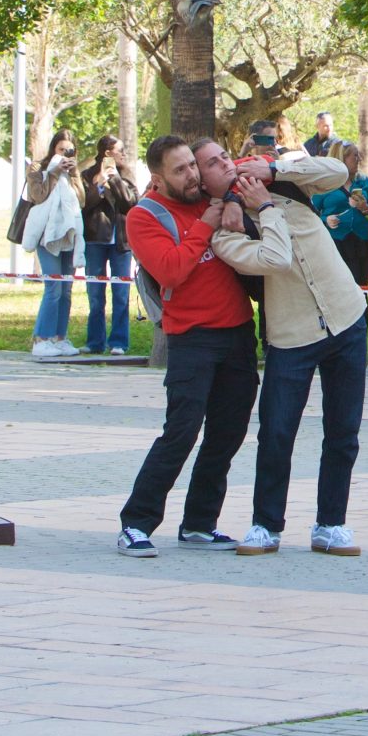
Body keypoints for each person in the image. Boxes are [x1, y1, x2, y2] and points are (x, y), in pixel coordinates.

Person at [204, 145, 368, 557]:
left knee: (343, 432)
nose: (226, 164)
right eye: (212, 164)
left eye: (225, 155)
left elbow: (335, 172)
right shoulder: (226, 231)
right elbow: (274, 258)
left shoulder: (284, 181)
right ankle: (266, 525)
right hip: (291, 336)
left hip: (346, 316)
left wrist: (276, 169)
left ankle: (331, 524)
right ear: (205, 184)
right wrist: (262, 208)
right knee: (277, 433)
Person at [116, 134, 259, 558]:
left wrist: (230, 201)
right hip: (190, 339)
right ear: (158, 179)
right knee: (180, 433)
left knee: (227, 433)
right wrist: (206, 224)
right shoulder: (145, 216)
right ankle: (135, 524)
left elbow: (240, 168)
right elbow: (173, 270)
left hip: (237, 333)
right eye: (180, 170)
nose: (193, 175)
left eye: (193, 166)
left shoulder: (208, 196)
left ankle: (199, 522)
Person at [23, 130, 85, 360]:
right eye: (61, 150)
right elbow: (37, 196)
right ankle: (42, 338)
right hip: (46, 235)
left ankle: (60, 337)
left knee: (66, 289)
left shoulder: (73, 173)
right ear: (53, 150)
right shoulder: (38, 169)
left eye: (69, 151)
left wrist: (74, 173)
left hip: (69, 232)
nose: (65, 155)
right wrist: (54, 173)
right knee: (54, 288)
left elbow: (81, 200)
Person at [80, 135, 137, 357]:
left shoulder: (126, 173)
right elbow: (84, 205)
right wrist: (98, 184)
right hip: (95, 239)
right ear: (107, 153)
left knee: (121, 293)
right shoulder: (87, 174)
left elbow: (131, 204)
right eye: (119, 150)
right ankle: (95, 341)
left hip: (121, 240)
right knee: (95, 293)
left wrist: (115, 181)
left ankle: (119, 342)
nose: (123, 154)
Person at [312, 141, 368, 288]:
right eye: (355, 156)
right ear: (341, 159)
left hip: (361, 245)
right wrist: (326, 219)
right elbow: (310, 214)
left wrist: (365, 208)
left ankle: (363, 312)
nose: (359, 160)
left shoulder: (362, 181)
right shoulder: (325, 184)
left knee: (361, 289)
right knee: (339, 289)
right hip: (336, 245)